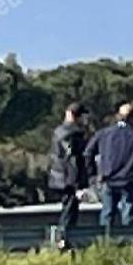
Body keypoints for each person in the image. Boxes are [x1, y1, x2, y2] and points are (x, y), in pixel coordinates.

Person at [84, 101, 133, 230]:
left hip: (108, 179)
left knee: (107, 214)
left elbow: (88, 153)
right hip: (129, 180)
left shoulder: (104, 134)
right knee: (128, 216)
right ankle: (128, 244)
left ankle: (106, 244)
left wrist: (93, 175)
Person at [48, 102, 90, 249]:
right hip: (69, 180)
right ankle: (63, 240)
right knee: (69, 211)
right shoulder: (73, 135)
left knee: (67, 208)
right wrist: (77, 185)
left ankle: (62, 239)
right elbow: (73, 160)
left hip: (58, 176)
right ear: (75, 116)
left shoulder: (58, 131)